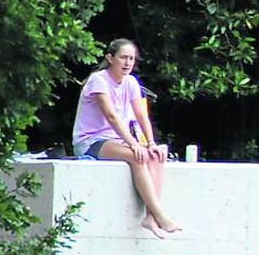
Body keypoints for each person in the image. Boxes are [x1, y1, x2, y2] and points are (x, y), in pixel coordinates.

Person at [72, 38, 181, 238]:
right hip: (90, 141)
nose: (128, 62)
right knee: (136, 156)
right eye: (123, 57)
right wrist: (134, 144)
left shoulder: (131, 82)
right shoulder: (99, 80)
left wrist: (150, 143)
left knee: (155, 155)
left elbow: (141, 116)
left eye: (131, 59)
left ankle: (149, 217)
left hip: (118, 141)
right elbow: (111, 116)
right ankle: (160, 214)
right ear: (110, 58)